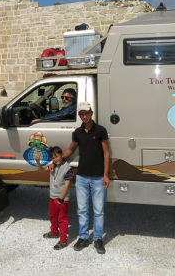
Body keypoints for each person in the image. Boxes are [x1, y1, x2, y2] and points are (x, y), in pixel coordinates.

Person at [57, 101, 110, 254]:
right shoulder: (78, 132)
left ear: (91, 113)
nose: (84, 116)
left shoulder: (100, 131)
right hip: (81, 177)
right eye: (81, 114)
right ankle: (84, 238)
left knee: (98, 210)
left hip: (98, 177)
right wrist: (57, 160)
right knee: (82, 210)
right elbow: (70, 150)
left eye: (86, 113)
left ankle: (98, 239)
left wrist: (106, 174)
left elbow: (106, 153)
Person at [35, 146, 74, 250]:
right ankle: (54, 232)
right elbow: (42, 170)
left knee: (62, 219)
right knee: (52, 215)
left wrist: (61, 199)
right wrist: (38, 162)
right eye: (53, 157)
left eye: (57, 156)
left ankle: (63, 240)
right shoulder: (53, 166)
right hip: (52, 197)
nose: (55, 159)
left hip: (62, 199)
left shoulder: (67, 169)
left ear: (62, 155)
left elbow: (66, 185)